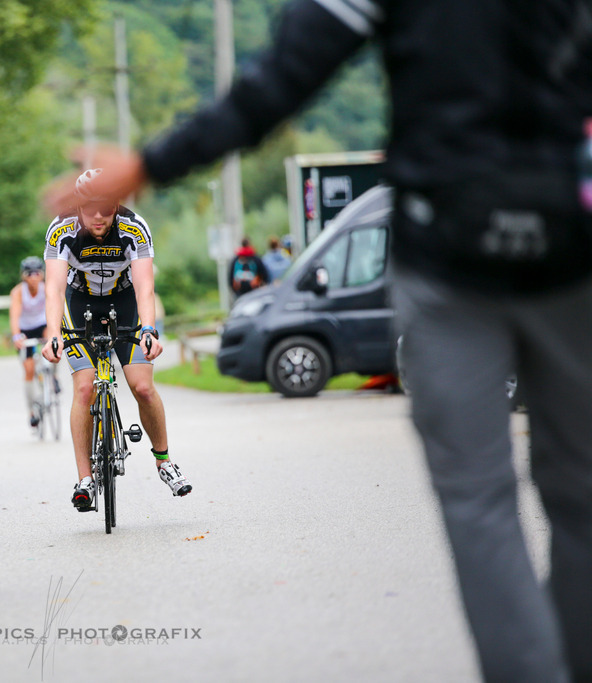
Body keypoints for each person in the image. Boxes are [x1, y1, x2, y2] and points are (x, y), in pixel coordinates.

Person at [44, 3, 592, 681]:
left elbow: (282, 79)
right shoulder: (68, 240)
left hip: (450, 240)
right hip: (570, 226)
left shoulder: (131, 233)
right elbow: (54, 285)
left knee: (479, 503)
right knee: (581, 491)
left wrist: (153, 164)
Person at [42, 169, 192, 510]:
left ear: (117, 205)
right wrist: (52, 334)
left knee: (141, 386)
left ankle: (165, 461)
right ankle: (85, 479)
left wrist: (149, 329)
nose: (98, 216)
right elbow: (52, 288)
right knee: (84, 389)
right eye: (90, 208)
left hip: (125, 305)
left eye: (106, 209)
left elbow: (144, 286)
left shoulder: (133, 227)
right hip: (78, 306)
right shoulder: (62, 228)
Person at [9, 256, 50, 429]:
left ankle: (52, 375)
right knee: (28, 369)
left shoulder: (46, 288)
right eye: (29, 274)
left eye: (37, 273)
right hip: (25, 329)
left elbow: (53, 308)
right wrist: (16, 336)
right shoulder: (18, 292)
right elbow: (14, 315)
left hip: (42, 325)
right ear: (24, 276)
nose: (34, 277)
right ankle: (31, 411)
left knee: (52, 340)